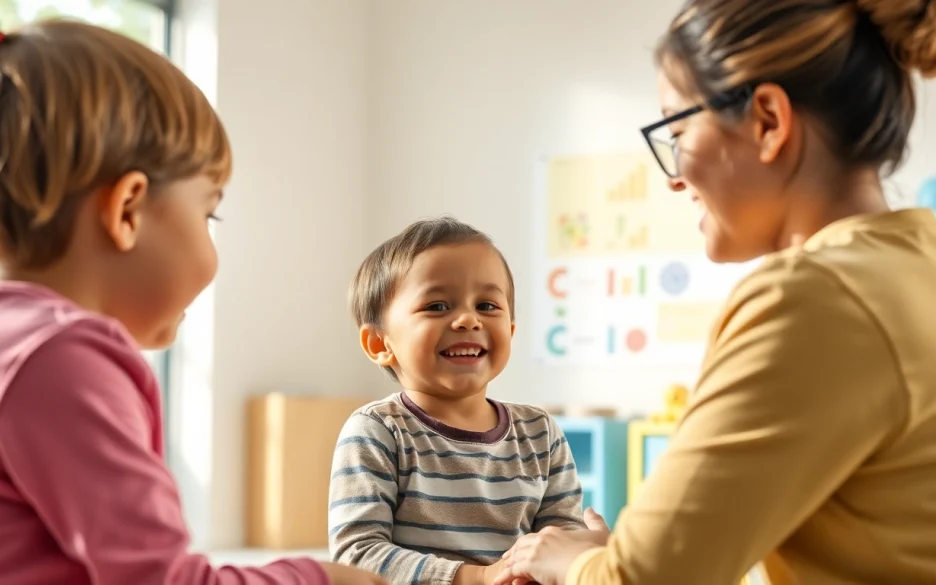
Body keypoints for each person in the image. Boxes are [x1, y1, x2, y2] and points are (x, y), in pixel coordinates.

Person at [0, 3, 386, 585]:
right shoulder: (56, 358)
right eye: (210, 212)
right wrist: (323, 578)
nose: (212, 236)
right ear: (128, 209)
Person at [496, 0, 936, 584]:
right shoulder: (916, 261)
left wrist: (575, 560)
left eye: (677, 131)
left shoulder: (813, 299)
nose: (674, 176)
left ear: (768, 122)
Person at [329, 217, 597, 585]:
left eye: (487, 305)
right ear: (380, 343)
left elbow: (560, 537)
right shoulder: (376, 431)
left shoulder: (540, 432)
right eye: (437, 306)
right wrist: (477, 578)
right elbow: (356, 556)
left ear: (511, 332)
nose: (468, 319)